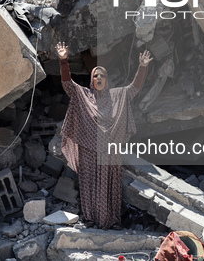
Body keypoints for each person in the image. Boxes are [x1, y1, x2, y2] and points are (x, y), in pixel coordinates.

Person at [55, 42, 152, 229]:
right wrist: (63, 60)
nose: (99, 77)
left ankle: (113, 220)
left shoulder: (116, 96)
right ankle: (90, 218)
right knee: (89, 185)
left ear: (107, 80)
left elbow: (133, 89)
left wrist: (142, 67)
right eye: (95, 75)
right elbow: (67, 84)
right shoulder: (83, 95)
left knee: (111, 186)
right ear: (92, 80)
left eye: (102, 76)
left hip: (110, 151)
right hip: (88, 151)